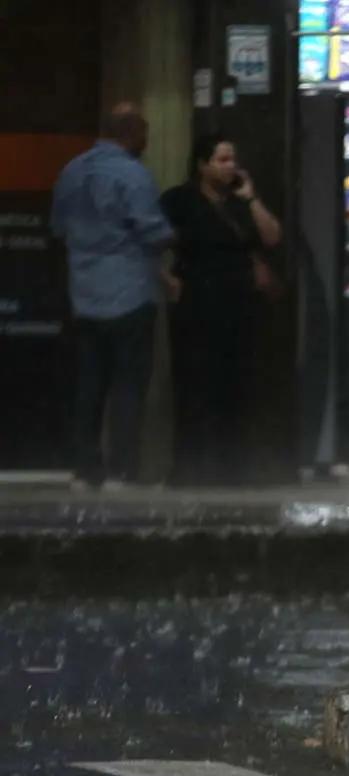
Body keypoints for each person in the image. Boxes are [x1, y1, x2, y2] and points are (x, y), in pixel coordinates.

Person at [50, 103, 176, 490]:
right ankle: (123, 470)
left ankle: (85, 470)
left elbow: (57, 227)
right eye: (144, 132)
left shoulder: (71, 171)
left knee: (90, 384)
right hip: (129, 295)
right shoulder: (133, 175)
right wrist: (176, 238)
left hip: (84, 294)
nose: (147, 140)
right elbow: (152, 231)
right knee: (128, 386)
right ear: (131, 131)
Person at [160, 134, 281, 486]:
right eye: (222, 160)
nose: (231, 167)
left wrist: (252, 198)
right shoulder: (179, 200)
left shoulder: (239, 202)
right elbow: (152, 239)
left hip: (237, 303)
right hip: (196, 302)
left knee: (235, 386)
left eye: (233, 159)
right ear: (202, 165)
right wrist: (164, 275)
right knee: (194, 385)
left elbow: (272, 236)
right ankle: (190, 467)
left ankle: (233, 468)